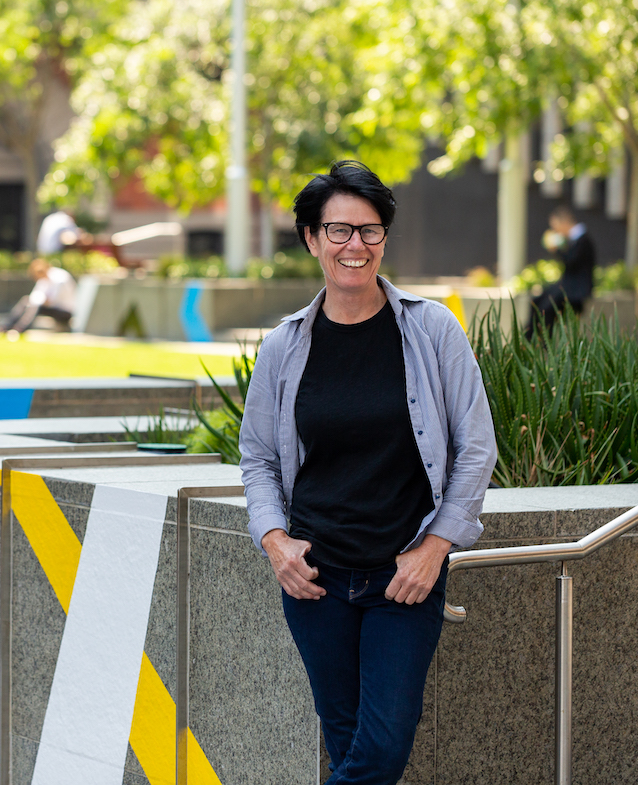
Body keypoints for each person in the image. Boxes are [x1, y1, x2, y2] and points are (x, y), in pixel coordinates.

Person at [239, 160, 497, 785]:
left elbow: (476, 446)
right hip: (316, 582)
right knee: (347, 742)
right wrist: (275, 542)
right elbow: (258, 458)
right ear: (311, 239)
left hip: (402, 577)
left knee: (379, 752)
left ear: (384, 238)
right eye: (339, 231)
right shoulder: (284, 346)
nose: (356, 245)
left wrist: (435, 549)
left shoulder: (431, 329)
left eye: (370, 231)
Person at [525, 204, 595, 338]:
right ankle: (530, 337)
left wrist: (557, 250)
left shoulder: (583, 240)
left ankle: (543, 341)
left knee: (547, 308)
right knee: (537, 301)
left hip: (575, 290)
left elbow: (572, 263)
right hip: (568, 285)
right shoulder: (575, 240)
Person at [0, 258, 76, 335]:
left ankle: (19, 329)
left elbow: (52, 302)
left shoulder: (60, 277)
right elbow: (34, 296)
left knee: (36, 306)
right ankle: (5, 327)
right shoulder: (43, 279)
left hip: (65, 311)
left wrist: (39, 301)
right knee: (26, 300)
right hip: (50, 308)